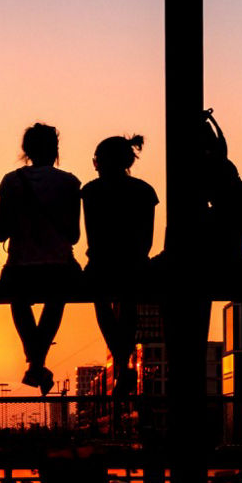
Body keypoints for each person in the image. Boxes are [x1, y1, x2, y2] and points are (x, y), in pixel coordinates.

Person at [0, 123, 81, 395]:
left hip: (20, 268)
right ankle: (36, 363)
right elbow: (74, 236)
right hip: (58, 268)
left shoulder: (11, 181)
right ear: (55, 150)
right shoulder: (69, 183)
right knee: (56, 300)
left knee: (18, 300)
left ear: (26, 151)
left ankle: (36, 362)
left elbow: (0, 234)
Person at [81, 134, 158, 397]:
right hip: (134, 264)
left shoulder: (91, 192)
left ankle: (122, 364)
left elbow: (92, 237)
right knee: (128, 305)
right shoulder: (144, 191)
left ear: (100, 162)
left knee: (102, 304)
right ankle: (123, 366)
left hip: (101, 265)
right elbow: (146, 239)